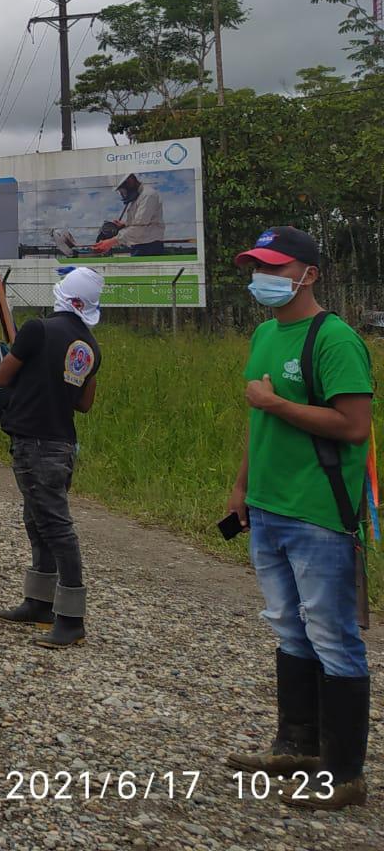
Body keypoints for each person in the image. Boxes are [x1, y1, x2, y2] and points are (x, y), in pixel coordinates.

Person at [222, 228, 373, 808]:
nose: (261, 277)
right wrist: (242, 487)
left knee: (332, 635)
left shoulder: (334, 339)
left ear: (308, 275)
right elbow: (258, 422)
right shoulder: (264, 333)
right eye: (255, 267)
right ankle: (297, 745)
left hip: (317, 512)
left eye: (274, 267)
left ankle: (344, 775)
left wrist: (277, 403)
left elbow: (354, 426)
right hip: (268, 506)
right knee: (289, 626)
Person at [0, 266, 103, 648]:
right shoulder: (90, 346)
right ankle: (39, 602)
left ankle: (71, 618)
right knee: (39, 520)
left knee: (54, 527)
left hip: (34, 441)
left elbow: (2, 377)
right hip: (62, 442)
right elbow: (84, 403)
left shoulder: (37, 329)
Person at [93, 172, 164, 256]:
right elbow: (140, 223)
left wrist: (111, 241)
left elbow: (139, 228)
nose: (122, 193)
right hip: (139, 245)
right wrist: (125, 225)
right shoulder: (138, 197)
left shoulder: (148, 195)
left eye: (122, 190)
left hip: (149, 248)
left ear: (130, 181)